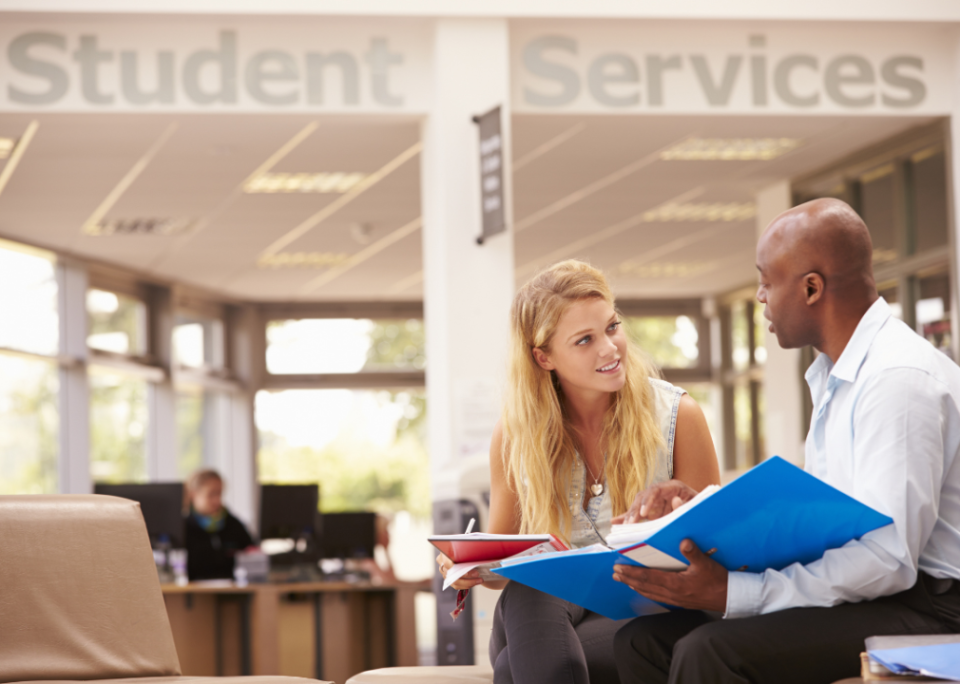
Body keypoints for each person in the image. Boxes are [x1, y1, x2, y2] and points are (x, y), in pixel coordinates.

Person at [612, 198, 960, 684]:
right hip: (881, 593)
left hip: (931, 608)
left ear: (812, 288)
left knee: (710, 652)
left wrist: (738, 593)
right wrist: (710, 512)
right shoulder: (838, 378)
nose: (759, 297)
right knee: (642, 643)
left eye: (766, 281)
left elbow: (889, 559)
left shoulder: (897, 380)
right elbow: (823, 522)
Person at [436, 260, 720, 684]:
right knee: (531, 589)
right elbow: (501, 566)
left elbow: (715, 556)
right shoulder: (516, 436)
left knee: (517, 664)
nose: (609, 348)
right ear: (544, 357)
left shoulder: (679, 416)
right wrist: (473, 568)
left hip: (647, 609)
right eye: (584, 340)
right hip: (547, 610)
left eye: (611, 327)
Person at [184, 469, 255, 581]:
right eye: (211, 494)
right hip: (192, 593)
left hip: (232, 591)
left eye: (220, 493)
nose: (217, 500)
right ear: (194, 494)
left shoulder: (233, 524)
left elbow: (252, 552)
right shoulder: (183, 527)